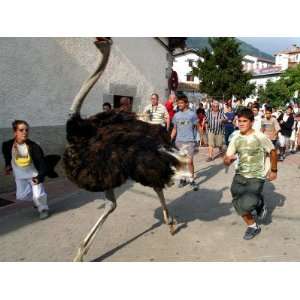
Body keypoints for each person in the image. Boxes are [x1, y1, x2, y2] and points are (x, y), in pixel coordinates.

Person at [224, 108, 278, 240]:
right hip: (240, 175)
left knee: (246, 205)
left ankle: (256, 213)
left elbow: (273, 151)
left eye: (245, 121)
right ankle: (253, 223)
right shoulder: (236, 138)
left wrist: (274, 170)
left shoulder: (260, 136)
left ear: (252, 122)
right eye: (239, 121)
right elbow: (227, 159)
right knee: (237, 202)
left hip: (256, 176)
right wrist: (227, 160)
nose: (241, 124)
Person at [2, 120, 53, 219]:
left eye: (26, 130)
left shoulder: (34, 146)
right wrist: (8, 166)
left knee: (39, 195)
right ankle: (36, 201)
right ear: (15, 132)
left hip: (34, 175)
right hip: (19, 176)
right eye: (21, 130)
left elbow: (42, 163)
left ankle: (43, 209)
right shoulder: (7, 145)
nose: (25, 132)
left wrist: (39, 176)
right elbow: (8, 157)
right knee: (21, 196)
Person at [171, 94, 199, 191]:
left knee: (190, 161)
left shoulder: (192, 114)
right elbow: (174, 129)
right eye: (178, 103)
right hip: (179, 141)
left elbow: (197, 126)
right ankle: (183, 179)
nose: (179, 104)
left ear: (186, 104)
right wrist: (170, 138)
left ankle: (191, 180)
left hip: (190, 141)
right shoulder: (176, 115)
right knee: (181, 162)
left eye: (181, 103)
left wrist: (200, 138)